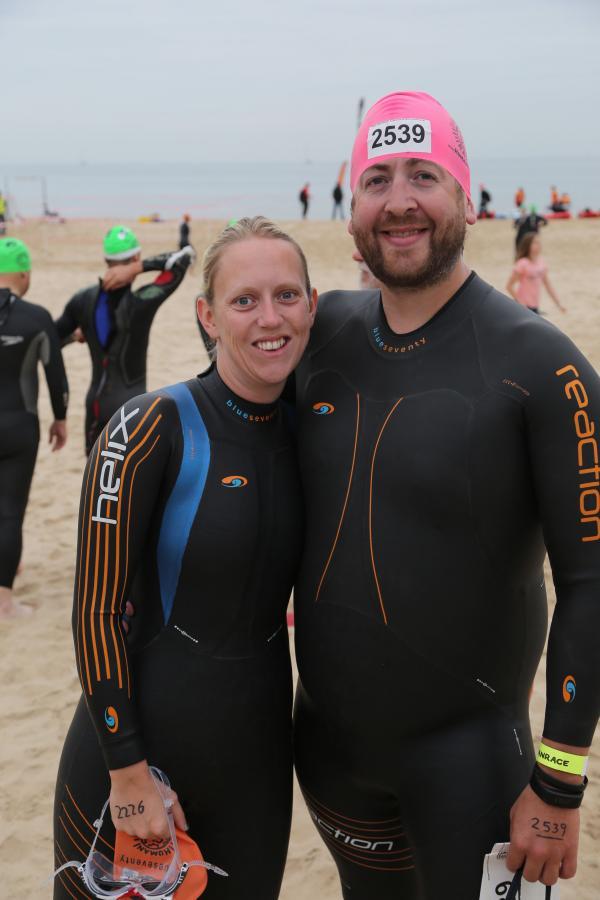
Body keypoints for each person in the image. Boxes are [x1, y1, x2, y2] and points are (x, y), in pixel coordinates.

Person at [292, 91, 599, 898]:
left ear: (465, 196)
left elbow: (592, 582)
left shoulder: (543, 366)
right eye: (377, 179)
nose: (399, 201)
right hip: (326, 758)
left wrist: (561, 780)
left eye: (423, 176)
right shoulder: (321, 335)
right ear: (353, 205)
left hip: (473, 768)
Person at [53, 216, 317, 899]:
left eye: (288, 295)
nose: (270, 318)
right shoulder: (148, 429)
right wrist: (128, 771)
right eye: (244, 300)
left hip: (257, 758)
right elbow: (95, 610)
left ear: (312, 307)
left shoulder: (317, 434)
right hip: (134, 759)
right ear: (206, 315)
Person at [55, 225, 194, 454]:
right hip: (133, 407)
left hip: (95, 407)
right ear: (136, 257)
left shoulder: (82, 300)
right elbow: (183, 257)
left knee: (95, 482)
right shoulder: (141, 303)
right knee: (134, 484)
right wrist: (139, 268)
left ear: (106, 260)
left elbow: (51, 340)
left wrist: (75, 336)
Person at [0, 238, 68, 619]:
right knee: (9, 511)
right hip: (18, 427)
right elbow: (56, 376)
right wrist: (60, 417)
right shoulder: (36, 317)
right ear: (23, 274)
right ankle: (4, 603)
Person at [507, 233, 566, 315]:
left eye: (539, 242)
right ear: (528, 245)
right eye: (535, 242)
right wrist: (520, 302)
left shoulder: (541, 263)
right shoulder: (522, 263)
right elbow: (509, 286)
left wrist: (558, 304)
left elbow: (548, 286)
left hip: (535, 306)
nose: (538, 245)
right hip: (523, 307)